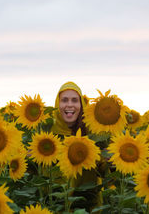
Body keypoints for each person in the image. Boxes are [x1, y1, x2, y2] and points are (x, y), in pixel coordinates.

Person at [52, 81, 102, 212]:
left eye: (74, 100)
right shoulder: (47, 133)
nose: (69, 105)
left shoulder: (93, 134)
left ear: (81, 105)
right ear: (58, 104)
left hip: (87, 204)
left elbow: (104, 170)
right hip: (54, 204)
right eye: (64, 100)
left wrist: (109, 161)